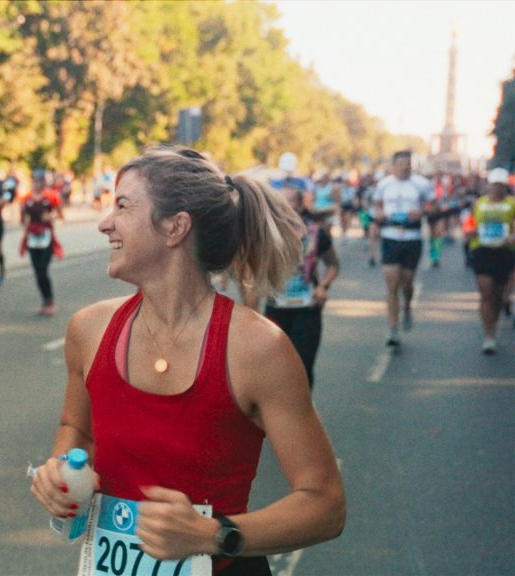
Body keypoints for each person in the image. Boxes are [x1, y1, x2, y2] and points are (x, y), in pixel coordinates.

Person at [30, 147, 345, 576]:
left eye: (122, 206)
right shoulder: (89, 330)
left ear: (175, 227)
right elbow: (77, 429)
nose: (105, 223)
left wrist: (212, 535)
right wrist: (61, 471)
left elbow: (325, 503)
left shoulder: (257, 348)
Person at [255, 183, 340, 388]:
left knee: (303, 367)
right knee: (275, 370)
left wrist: (323, 286)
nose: (284, 207)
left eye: (290, 201)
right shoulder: (266, 234)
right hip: (276, 310)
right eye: (279, 202)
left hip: (307, 309)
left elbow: (333, 265)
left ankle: (302, 414)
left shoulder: (316, 234)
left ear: (300, 205)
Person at [372, 150, 436, 348]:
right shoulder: (384, 185)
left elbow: (434, 207)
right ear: (394, 165)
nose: (405, 167)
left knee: (407, 282)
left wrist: (423, 211)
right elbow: (377, 206)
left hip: (412, 238)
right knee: (392, 285)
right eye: (401, 164)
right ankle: (393, 329)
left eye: (408, 164)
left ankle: (407, 306)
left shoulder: (421, 184)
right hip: (390, 237)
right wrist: (380, 216)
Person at [466, 168, 514, 354]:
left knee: (499, 296)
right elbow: (469, 226)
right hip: (482, 251)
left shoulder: (512, 204)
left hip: (505, 253)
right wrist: (470, 232)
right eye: (494, 185)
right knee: (486, 293)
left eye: (500, 185)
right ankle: (489, 336)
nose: (496, 189)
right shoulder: (479, 204)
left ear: (505, 186)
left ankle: (502, 308)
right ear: (489, 185)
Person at [20, 169, 64, 316]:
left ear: (44, 182)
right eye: (34, 181)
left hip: (46, 237)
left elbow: (60, 214)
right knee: (37, 272)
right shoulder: (26, 197)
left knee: (43, 270)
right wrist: (24, 222)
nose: (36, 184)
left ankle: (50, 301)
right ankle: (45, 301)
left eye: (39, 181)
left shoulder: (51, 196)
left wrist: (50, 216)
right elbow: (22, 216)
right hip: (33, 238)